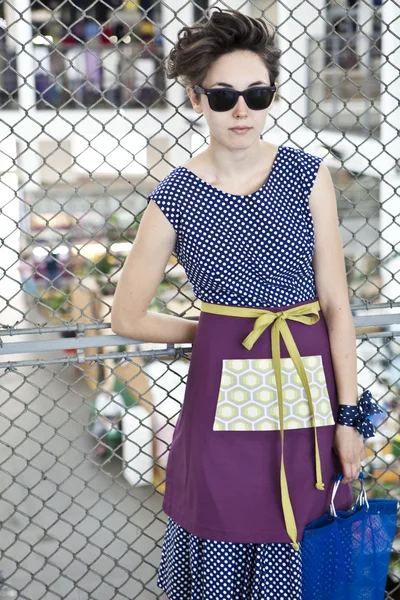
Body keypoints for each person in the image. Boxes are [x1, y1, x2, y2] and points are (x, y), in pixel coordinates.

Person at [111, 9, 377, 599]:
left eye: (257, 94)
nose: (241, 110)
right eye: (224, 94)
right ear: (193, 96)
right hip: (221, 399)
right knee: (224, 526)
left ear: (271, 95)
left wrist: (350, 417)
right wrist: (213, 331)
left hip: (309, 394)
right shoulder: (174, 196)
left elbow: (336, 305)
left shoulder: (309, 176)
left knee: (305, 525)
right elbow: (126, 317)